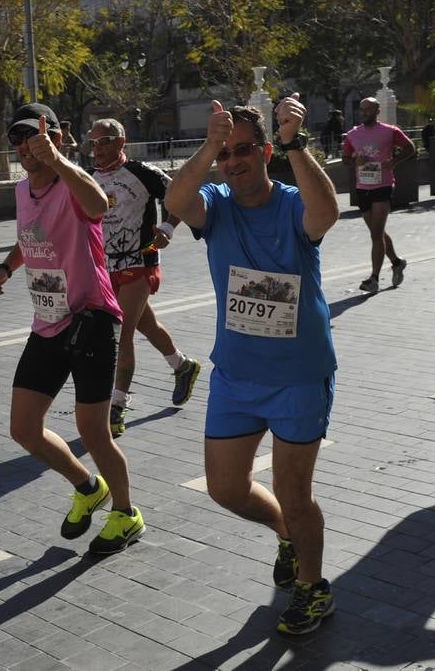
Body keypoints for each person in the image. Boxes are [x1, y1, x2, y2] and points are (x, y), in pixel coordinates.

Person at [164, 94, 341, 636]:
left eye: (244, 150)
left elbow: (327, 213)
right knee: (225, 487)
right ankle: (287, 535)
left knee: (295, 490)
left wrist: (296, 143)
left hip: (297, 375)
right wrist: (208, 147)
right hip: (236, 377)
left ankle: (313, 588)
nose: (234, 161)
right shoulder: (214, 204)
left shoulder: (291, 203)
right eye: (226, 153)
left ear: (266, 151)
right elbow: (174, 201)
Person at [0, 103, 144, 556]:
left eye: (34, 136)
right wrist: (4, 269)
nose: (25, 146)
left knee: (94, 431)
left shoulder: (71, 182)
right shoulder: (20, 191)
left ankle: (127, 513)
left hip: (92, 317)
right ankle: (87, 486)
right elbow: (30, 237)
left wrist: (58, 160)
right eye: (18, 139)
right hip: (48, 321)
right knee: (24, 429)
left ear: (55, 137)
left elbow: (97, 204)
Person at [87, 118, 201, 437]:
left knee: (121, 335)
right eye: (93, 142)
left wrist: (167, 227)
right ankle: (182, 366)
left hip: (140, 261)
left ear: (121, 142)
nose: (97, 148)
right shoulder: (89, 177)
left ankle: (117, 407)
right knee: (144, 323)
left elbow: (181, 194)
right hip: (106, 267)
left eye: (104, 141)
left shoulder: (141, 173)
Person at [341, 97, 416, 294]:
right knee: (378, 233)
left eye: (368, 109)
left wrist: (394, 161)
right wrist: (355, 161)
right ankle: (397, 262)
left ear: (377, 111)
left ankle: (374, 279)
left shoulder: (390, 132)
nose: (364, 112)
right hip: (362, 186)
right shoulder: (352, 134)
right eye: (362, 109)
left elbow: (410, 148)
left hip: (382, 185)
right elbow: (345, 159)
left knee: (376, 233)